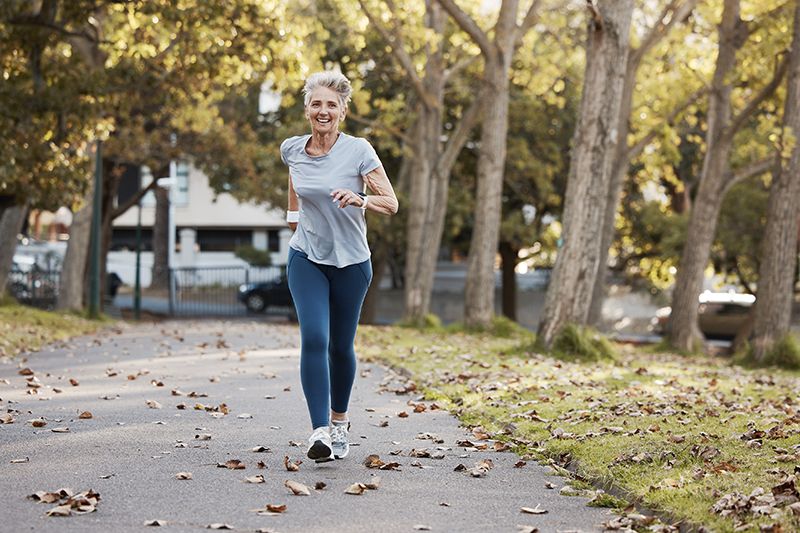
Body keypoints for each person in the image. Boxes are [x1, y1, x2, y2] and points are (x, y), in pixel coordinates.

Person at [280, 70, 398, 463]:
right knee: (315, 337)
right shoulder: (292, 149)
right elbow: (296, 182)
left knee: (340, 347)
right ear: (307, 110)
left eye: (331, 105)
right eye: (316, 104)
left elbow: (391, 203)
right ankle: (319, 433)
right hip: (307, 257)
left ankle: (340, 422)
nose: (323, 111)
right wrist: (293, 216)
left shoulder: (359, 150)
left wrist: (361, 198)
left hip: (352, 263)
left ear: (343, 112)